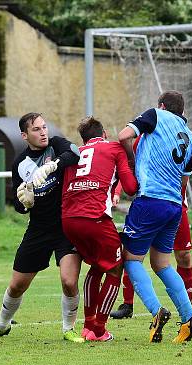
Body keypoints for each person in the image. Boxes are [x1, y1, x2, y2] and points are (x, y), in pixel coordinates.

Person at [0, 113, 86, 343]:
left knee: (69, 281)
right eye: (36, 129)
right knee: (16, 286)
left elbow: (75, 154)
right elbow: (18, 204)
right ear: (25, 135)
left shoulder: (56, 145)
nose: (43, 132)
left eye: (44, 127)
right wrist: (26, 203)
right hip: (38, 229)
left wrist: (53, 166)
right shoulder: (20, 164)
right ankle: (2, 326)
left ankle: (68, 329)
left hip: (66, 225)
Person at [117, 91, 192, 343]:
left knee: (131, 259)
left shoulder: (156, 115)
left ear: (162, 106)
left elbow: (124, 135)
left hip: (150, 200)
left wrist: (132, 161)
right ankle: (189, 317)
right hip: (174, 206)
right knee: (162, 264)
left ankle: (156, 312)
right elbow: (184, 182)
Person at [111, 132, 192, 319]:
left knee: (181, 256)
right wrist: (117, 190)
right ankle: (128, 304)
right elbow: (130, 165)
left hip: (174, 206)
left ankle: (188, 310)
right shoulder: (146, 136)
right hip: (151, 203)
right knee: (136, 254)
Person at [61, 116, 138, 341]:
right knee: (115, 268)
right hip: (95, 218)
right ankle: (99, 329)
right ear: (104, 134)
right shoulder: (114, 147)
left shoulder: (76, 152)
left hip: (69, 219)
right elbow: (131, 188)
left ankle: (87, 325)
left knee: (96, 267)